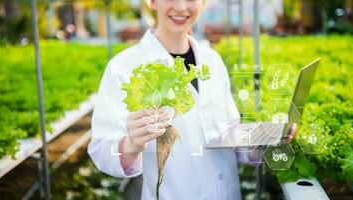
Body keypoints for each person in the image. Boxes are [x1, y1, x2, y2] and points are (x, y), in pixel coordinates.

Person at [88, 0, 297, 199]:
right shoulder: (124, 66)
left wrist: (262, 139)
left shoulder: (212, 60)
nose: (181, 7)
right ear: (152, 1)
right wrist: (131, 144)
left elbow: (228, 133)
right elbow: (101, 149)